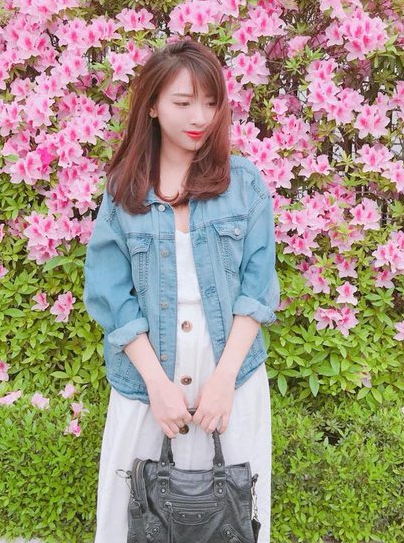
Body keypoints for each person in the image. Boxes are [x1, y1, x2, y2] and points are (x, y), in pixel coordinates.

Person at [84, 38, 280, 542]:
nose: (200, 117)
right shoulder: (124, 190)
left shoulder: (243, 182)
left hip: (230, 374)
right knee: (133, 515)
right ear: (152, 106)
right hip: (147, 376)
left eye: (211, 103)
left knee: (232, 513)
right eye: (183, 102)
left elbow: (258, 287)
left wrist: (224, 378)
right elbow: (111, 295)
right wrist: (157, 384)